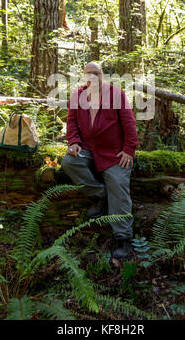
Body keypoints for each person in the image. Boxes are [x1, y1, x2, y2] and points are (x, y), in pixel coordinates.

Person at [61, 62, 138, 259]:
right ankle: (99, 194)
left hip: (113, 153)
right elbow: (71, 123)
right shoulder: (78, 96)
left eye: (97, 73)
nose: (93, 77)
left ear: (103, 75)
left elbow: (129, 123)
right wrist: (74, 142)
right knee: (70, 163)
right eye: (89, 73)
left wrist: (129, 149)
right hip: (87, 148)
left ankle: (122, 236)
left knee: (118, 183)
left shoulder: (115, 94)